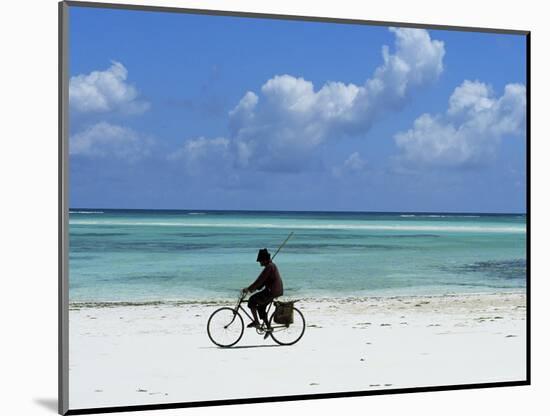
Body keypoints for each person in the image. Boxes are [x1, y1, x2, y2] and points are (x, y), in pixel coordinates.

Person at [242, 248, 284, 335]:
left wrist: (249, 289)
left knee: (252, 300)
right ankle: (268, 328)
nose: (259, 262)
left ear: (265, 260)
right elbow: (262, 283)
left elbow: (259, 281)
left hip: (272, 291)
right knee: (261, 307)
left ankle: (256, 322)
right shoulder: (270, 266)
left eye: (260, 261)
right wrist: (253, 289)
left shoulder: (269, 267)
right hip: (274, 290)